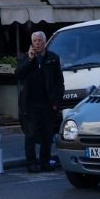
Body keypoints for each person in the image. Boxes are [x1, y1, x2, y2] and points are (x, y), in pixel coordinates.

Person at [16, 30, 64, 173]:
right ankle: (31, 163)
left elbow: (59, 82)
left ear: (44, 42)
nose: (37, 43)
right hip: (30, 103)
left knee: (47, 134)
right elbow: (18, 75)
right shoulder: (26, 58)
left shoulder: (53, 58)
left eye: (39, 41)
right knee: (30, 134)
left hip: (48, 103)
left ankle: (45, 162)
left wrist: (57, 101)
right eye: (35, 41)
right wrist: (29, 60)